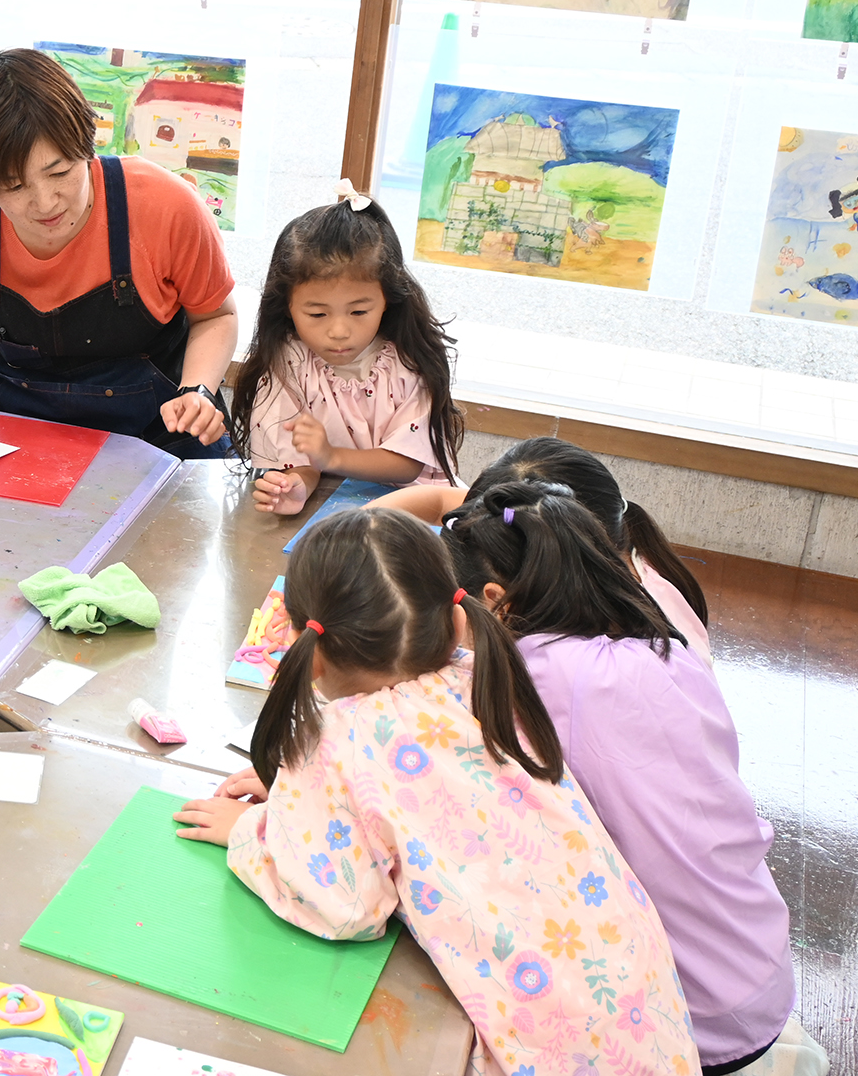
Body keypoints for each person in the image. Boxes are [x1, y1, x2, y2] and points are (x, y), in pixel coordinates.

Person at [173, 508, 700, 1075]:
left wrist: (255, 832)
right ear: (455, 620)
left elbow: (345, 906)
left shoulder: (336, 740)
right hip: (645, 1004)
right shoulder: (485, 675)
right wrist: (299, 794)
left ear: (309, 645)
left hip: (549, 1047)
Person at [442, 482, 822, 1076]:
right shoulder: (658, 642)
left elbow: (434, 764)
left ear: (496, 600)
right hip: (755, 965)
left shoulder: (538, 679)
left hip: (688, 1016)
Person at [0, 48, 237, 457]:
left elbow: (217, 314)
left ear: (87, 146)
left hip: (157, 438)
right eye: (14, 187)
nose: (46, 203)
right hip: (17, 437)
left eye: (60, 172)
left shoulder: (165, 206)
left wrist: (197, 390)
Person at [230, 185, 462, 514]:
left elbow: (407, 465)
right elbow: (302, 462)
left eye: (358, 312)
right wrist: (297, 487)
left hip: (416, 514)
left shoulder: (408, 362)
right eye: (317, 314)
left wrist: (332, 456)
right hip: (332, 514)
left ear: (388, 301)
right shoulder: (289, 363)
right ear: (286, 307)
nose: (339, 331)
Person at [369, 436, 710, 657]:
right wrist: (355, 528)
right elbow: (439, 496)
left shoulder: (564, 650)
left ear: (500, 599)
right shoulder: (613, 562)